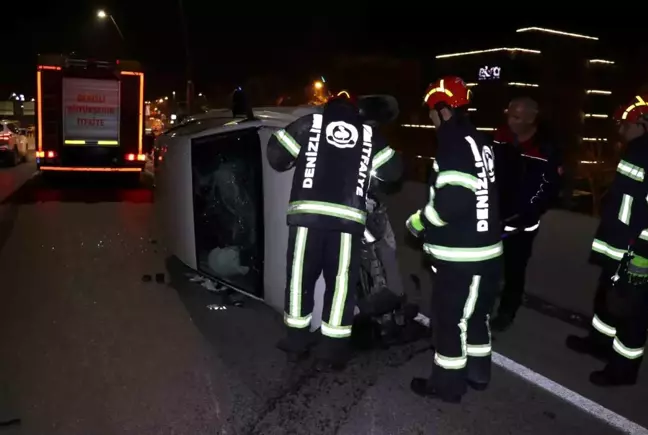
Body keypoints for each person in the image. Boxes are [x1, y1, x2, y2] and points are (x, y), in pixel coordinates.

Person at [266, 91, 403, 369]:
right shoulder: (367, 134)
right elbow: (393, 171)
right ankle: (331, 350)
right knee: (340, 287)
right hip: (346, 224)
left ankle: (296, 342)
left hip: (308, 220)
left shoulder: (309, 124)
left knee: (299, 282)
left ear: (326, 107)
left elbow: (276, 156)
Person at [407, 77, 503, 402]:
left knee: (450, 321)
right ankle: (478, 373)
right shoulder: (480, 141)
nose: (430, 119)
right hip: (486, 253)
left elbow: (454, 201)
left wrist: (419, 222)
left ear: (443, 109)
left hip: (463, 256)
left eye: (431, 113)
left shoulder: (453, 143)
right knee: (475, 316)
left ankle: (447, 385)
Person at [566, 95, 648, 386]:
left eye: (624, 125)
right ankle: (599, 343)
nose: (620, 131)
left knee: (633, 313)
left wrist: (641, 255)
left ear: (642, 123)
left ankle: (622, 370)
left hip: (637, 252)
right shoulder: (637, 150)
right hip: (618, 245)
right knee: (606, 298)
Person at [490, 97, 563, 332]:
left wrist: (527, 211)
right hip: (492, 216)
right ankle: (482, 306)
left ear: (531, 119)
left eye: (517, 117)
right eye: (509, 114)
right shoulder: (499, 138)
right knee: (486, 266)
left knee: (514, 269)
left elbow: (549, 187)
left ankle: (506, 312)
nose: (510, 121)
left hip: (522, 224)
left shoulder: (544, 148)